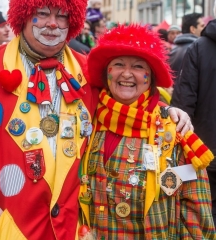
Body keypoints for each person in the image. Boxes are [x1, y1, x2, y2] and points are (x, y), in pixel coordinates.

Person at [0, 1, 195, 239]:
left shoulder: (87, 70)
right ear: (24, 15)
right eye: (42, 13)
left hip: (71, 225)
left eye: (62, 16)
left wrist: (165, 111)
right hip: (9, 219)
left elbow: (125, 100)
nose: (52, 23)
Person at [79, 24, 215, 239]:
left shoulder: (174, 129)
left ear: (150, 76)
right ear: (107, 72)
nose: (126, 73)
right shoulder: (86, 118)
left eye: (138, 66)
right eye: (118, 64)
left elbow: (195, 202)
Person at [171, 1, 216, 226]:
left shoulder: (199, 48)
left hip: (202, 153)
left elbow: (182, 106)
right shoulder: (199, 48)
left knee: (202, 217)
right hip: (203, 156)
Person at [169, 13, 205, 87]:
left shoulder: (173, 49)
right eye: (202, 26)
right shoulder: (197, 50)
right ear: (193, 29)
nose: (205, 29)